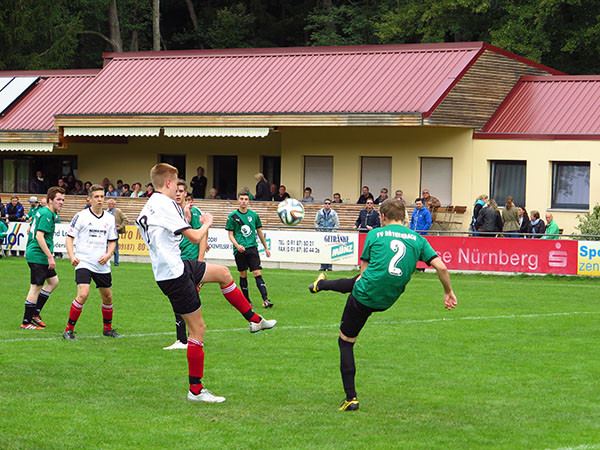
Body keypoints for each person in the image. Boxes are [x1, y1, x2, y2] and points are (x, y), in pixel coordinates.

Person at [136, 163, 276, 403]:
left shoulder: (149, 206)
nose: (180, 188)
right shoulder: (164, 204)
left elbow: (163, 236)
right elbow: (194, 235)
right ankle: (196, 390)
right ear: (168, 182)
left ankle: (255, 321)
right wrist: (207, 223)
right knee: (198, 329)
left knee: (223, 273)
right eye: (177, 182)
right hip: (173, 275)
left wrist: (184, 221)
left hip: (175, 266)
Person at [312, 198, 457, 411]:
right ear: (404, 217)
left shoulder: (373, 234)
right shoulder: (418, 239)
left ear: (382, 216)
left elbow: (363, 273)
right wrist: (448, 292)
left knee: (346, 342)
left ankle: (351, 398)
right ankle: (320, 285)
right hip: (388, 299)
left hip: (364, 297)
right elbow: (442, 268)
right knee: (359, 283)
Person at [62, 185, 121, 340]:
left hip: (102, 264)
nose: (100, 199)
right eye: (96, 196)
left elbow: (113, 241)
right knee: (83, 294)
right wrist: (72, 255)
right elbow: (69, 238)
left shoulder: (109, 218)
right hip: (84, 262)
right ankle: (68, 330)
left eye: (102, 196)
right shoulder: (81, 216)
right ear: (89, 199)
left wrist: (108, 255)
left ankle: (107, 329)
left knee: (107, 297)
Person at [163, 181, 209, 351]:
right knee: (183, 299)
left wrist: (200, 261)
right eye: (176, 191)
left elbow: (202, 236)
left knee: (186, 299)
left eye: (181, 191)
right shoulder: (170, 212)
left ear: (185, 194)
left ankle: (185, 339)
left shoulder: (194, 212)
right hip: (175, 261)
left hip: (190, 262)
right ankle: (189, 337)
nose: (178, 194)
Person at [21, 187, 66, 329]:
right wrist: (50, 256)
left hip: (38, 254)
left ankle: (35, 313)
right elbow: (39, 236)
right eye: (58, 199)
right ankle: (26, 322)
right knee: (35, 287)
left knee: (53, 281)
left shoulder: (44, 212)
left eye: (63, 200)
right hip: (38, 255)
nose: (61, 202)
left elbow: (31, 229)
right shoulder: (46, 213)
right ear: (50, 200)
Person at [226, 191, 274, 308]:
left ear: (248, 201)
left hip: (252, 248)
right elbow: (230, 234)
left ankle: (266, 300)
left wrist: (266, 248)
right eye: (241, 199)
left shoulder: (254, 216)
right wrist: (237, 245)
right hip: (240, 250)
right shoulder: (232, 216)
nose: (243, 201)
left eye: (246, 199)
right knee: (243, 274)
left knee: (257, 272)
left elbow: (260, 232)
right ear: (238, 200)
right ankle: (247, 300)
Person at [314, 199, 339, 271]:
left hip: (330, 235)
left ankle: (330, 266)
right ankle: (323, 266)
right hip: (322, 234)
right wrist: (319, 231)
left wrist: (333, 232)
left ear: (330, 205)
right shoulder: (319, 213)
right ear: (324, 204)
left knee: (330, 250)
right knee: (322, 250)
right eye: (326, 203)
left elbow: (336, 224)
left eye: (329, 203)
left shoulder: (334, 213)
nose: (327, 205)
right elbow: (316, 223)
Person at [106, 199, 128, 266]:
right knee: (106, 247)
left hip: (115, 231)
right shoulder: (106, 211)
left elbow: (125, 219)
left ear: (114, 204)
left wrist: (120, 227)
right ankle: (107, 261)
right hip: (107, 231)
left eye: (111, 204)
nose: (110, 205)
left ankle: (116, 262)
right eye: (109, 204)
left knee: (115, 247)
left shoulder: (118, 211)